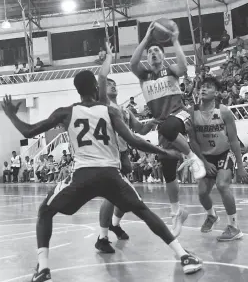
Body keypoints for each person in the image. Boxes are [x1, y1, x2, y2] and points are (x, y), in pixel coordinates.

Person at [2, 73, 203, 281]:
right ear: (96, 90)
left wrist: (11, 115)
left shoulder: (65, 112)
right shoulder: (109, 111)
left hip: (82, 175)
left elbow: (28, 131)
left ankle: (43, 268)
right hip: (110, 175)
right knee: (143, 211)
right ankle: (184, 255)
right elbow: (133, 140)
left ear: (77, 90)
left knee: (45, 212)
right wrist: (165, 152)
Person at [130, 20, 206, 238]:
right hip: (163, 125)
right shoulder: (144, 75)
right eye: (150, 52)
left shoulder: (170, 70)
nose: (153, 53)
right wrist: (146, 38)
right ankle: (176, 212)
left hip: (179, 115)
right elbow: (132, 64)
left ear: (163, 56)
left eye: (156, 51)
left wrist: (174, 40)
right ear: (147, 58)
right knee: (168, 172)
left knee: (170, 126)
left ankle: (192, 158)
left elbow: (183, 68)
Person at [96, 42, 157, 253]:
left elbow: (140, 129)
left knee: (122, 199)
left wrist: (151, 122)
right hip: (107, 156)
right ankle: (102, 237)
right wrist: (109, 57)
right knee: (112, 196)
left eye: (114, 84)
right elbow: (102, 78)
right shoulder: (103, 104)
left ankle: (114, 223)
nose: (113, 86)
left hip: (122, 155)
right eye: (109, 84)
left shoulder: (123, 109)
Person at [185, 77, 248, 240]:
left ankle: (234, 227)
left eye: (208, 87)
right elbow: (192, 140)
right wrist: (204, 162)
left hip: (223, 153)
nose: (203, 89)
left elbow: (234, 140)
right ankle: (211, 215)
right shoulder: (192, 112)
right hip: (204, 156)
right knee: (202, 193)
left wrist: (240, 167)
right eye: (201, 87)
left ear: (217, 93)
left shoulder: (224, 111)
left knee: (222, 185)